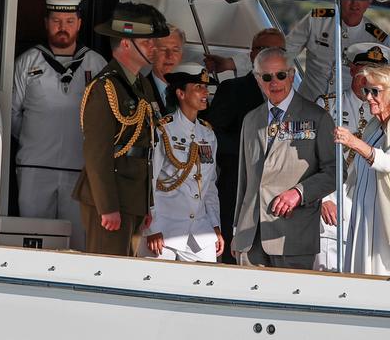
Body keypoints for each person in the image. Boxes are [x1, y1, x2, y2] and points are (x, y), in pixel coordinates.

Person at [11, 0, 108, 250]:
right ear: (46, 23)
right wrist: (38, 139)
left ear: (79, 24)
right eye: (56, 20)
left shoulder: (96, 64)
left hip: (79, 170)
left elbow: (104, 121)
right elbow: (12, 115)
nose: (62, 27)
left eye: (69, 20)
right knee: (32, 241)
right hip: (35, 168)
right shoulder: (27, 62)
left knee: (76, 243)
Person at [75, 2, 170, 256]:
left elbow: (146, 149)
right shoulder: (105, 87)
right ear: (126, 43)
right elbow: (97, 153)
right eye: (147, 42)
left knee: (125, 269)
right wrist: (107, 206)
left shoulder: (140, 84)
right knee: (106, 270)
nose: (154, 47)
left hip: (132, 197)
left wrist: (146, 203)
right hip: (112, 197)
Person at [232, 48, 338, 269]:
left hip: (293, 237)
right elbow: (245, 180)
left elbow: (335, 172)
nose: (275, 82)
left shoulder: (317, 117)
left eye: (280, 75)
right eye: (267, 77)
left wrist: (299, 193)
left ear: (291, 74)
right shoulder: (251, 120)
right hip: (250, 240)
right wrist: (237, 230)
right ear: (257, 79)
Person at [333, 63, 390, 277]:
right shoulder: (374, 129)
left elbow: (388, 162)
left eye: (375, 91)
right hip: (364, 221)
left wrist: (353, 142)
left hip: (389, 225)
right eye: (366, 91)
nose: (368, 97)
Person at [200, 27, 286, 264]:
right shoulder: (233, 89)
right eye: (265, 49)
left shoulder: (292, 97)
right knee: (231, 260)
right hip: (237, 190)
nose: (272, 54)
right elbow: (212, 136)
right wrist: (252, 147)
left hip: (277, 200)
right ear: (251, 56)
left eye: (279, 50)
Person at [314, 42, 390, 271]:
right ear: (351, 69)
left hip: (369, 205)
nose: (369, 79)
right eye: (364, 72)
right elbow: (312, 157)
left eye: (377, 74)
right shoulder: (328, 105)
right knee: (329, 271)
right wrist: (323, 198)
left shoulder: (389, 116)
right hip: (335, 203)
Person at [143, 64, 223, 262]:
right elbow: (150, 181)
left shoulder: (208, 134)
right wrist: (152, 228)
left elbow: (209, 185)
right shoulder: (164, 130)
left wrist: (215, 225)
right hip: (165, 230)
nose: (205, 92)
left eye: (206, 87)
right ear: (180, 93)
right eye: (198, 87)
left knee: (206, 287)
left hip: (200, 231)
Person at [285, 0, 390, 103]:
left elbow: (385, 84)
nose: (354, 4)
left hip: (348, 114)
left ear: (370, 0)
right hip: (307, 106)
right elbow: (283, 55)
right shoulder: (316, 21)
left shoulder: (377, 40)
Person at [149, 25, 186, 113]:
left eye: (175, 50)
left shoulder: (194, 91)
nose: (169, 56)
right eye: (163, 49)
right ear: (151, 54)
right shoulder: (138, 90)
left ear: (182, 55)